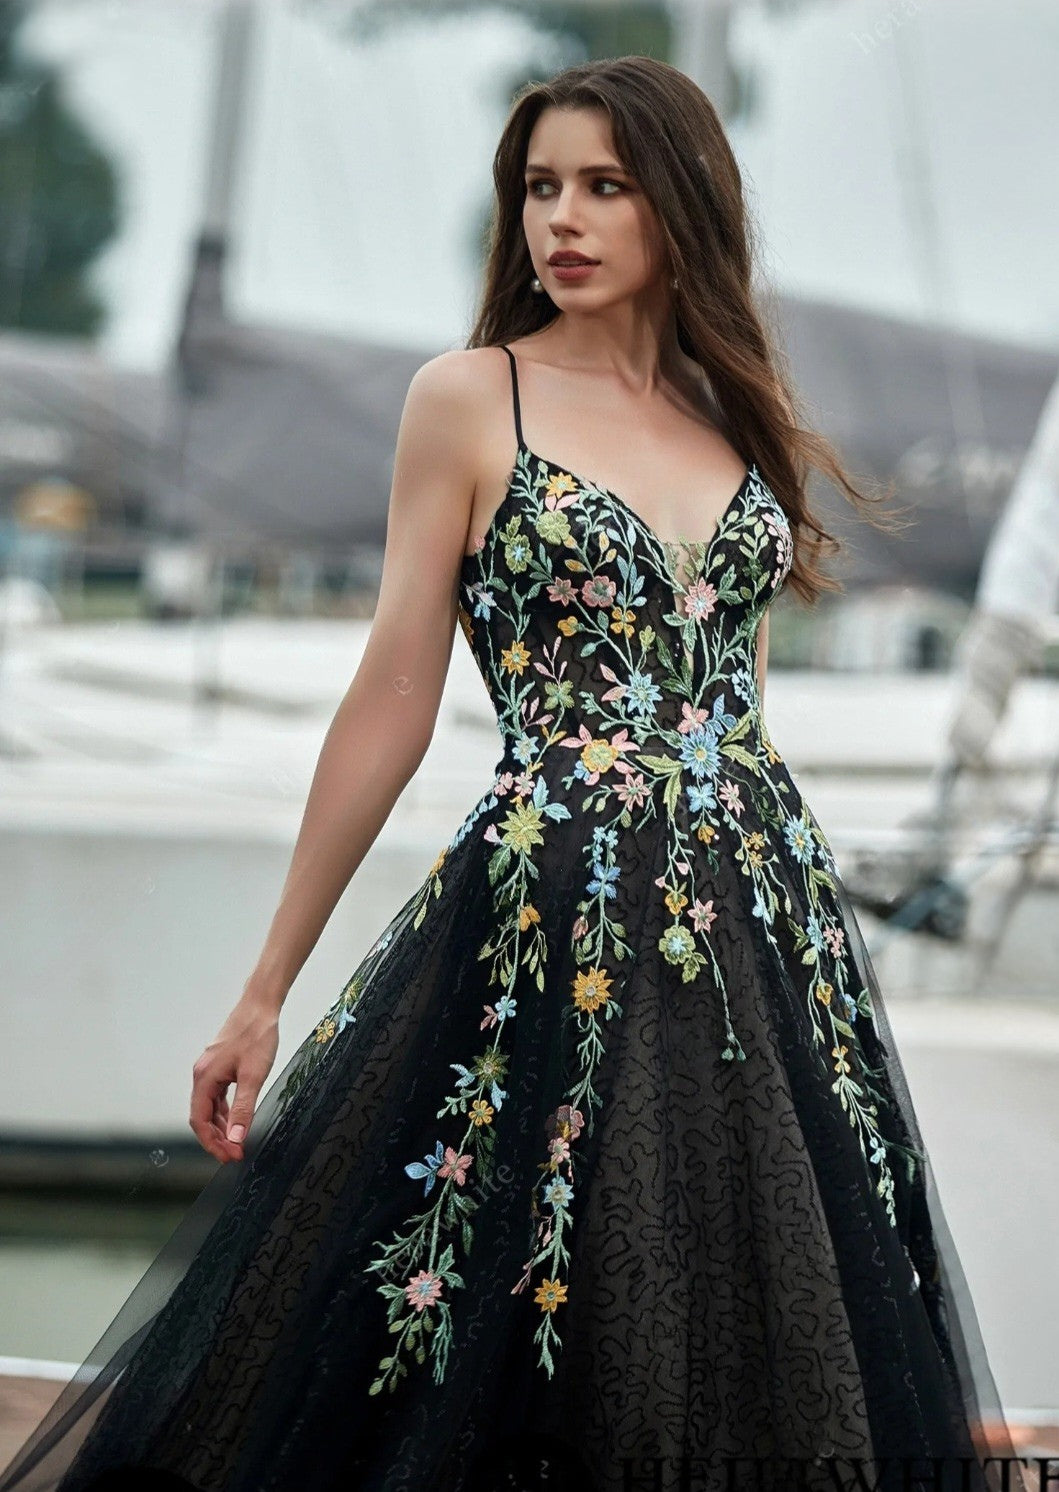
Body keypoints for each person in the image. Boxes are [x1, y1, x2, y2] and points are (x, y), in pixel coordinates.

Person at [0, 54, 1029, 1492]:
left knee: (763, 1325)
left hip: (758, 936)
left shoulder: (734, 416)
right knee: (515, 1304)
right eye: (542, 187)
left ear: (681, 203)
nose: (566, 217)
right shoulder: (471, 399)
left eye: (605, 186)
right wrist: (262, 987)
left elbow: (740, 707)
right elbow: (391, 698)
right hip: (551, 922)